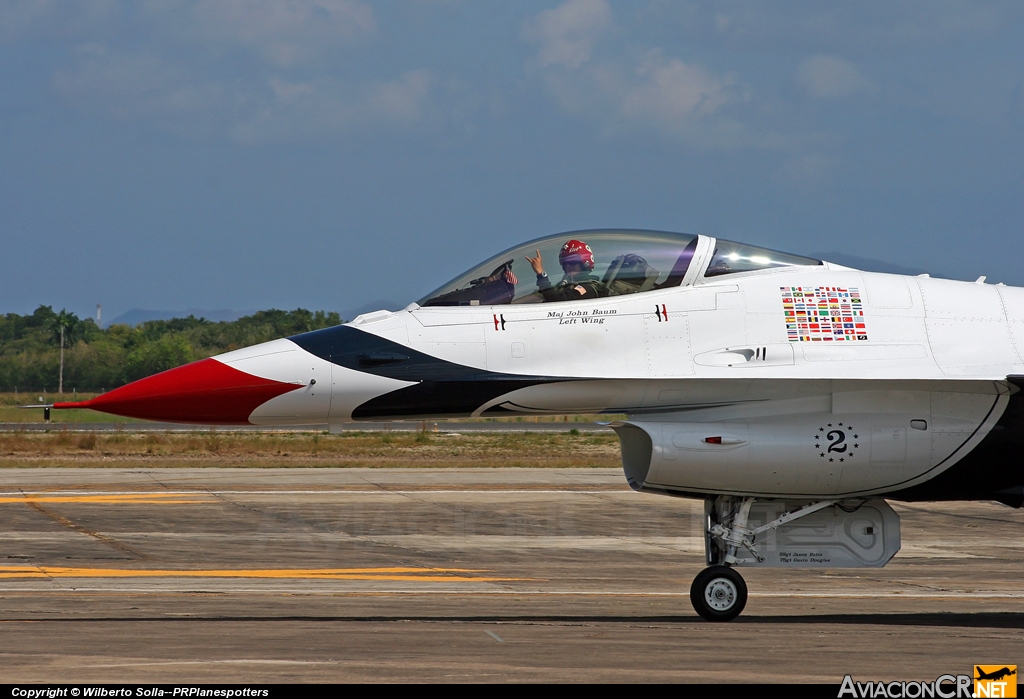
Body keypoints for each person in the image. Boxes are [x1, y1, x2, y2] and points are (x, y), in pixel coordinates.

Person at [526, 239, 609, 302]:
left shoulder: (588, 288)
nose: (568, 265)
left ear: (584, 263)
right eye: (565, 262)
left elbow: (556, 302)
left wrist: (541, 274)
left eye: (573, 261)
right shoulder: (563, 287)